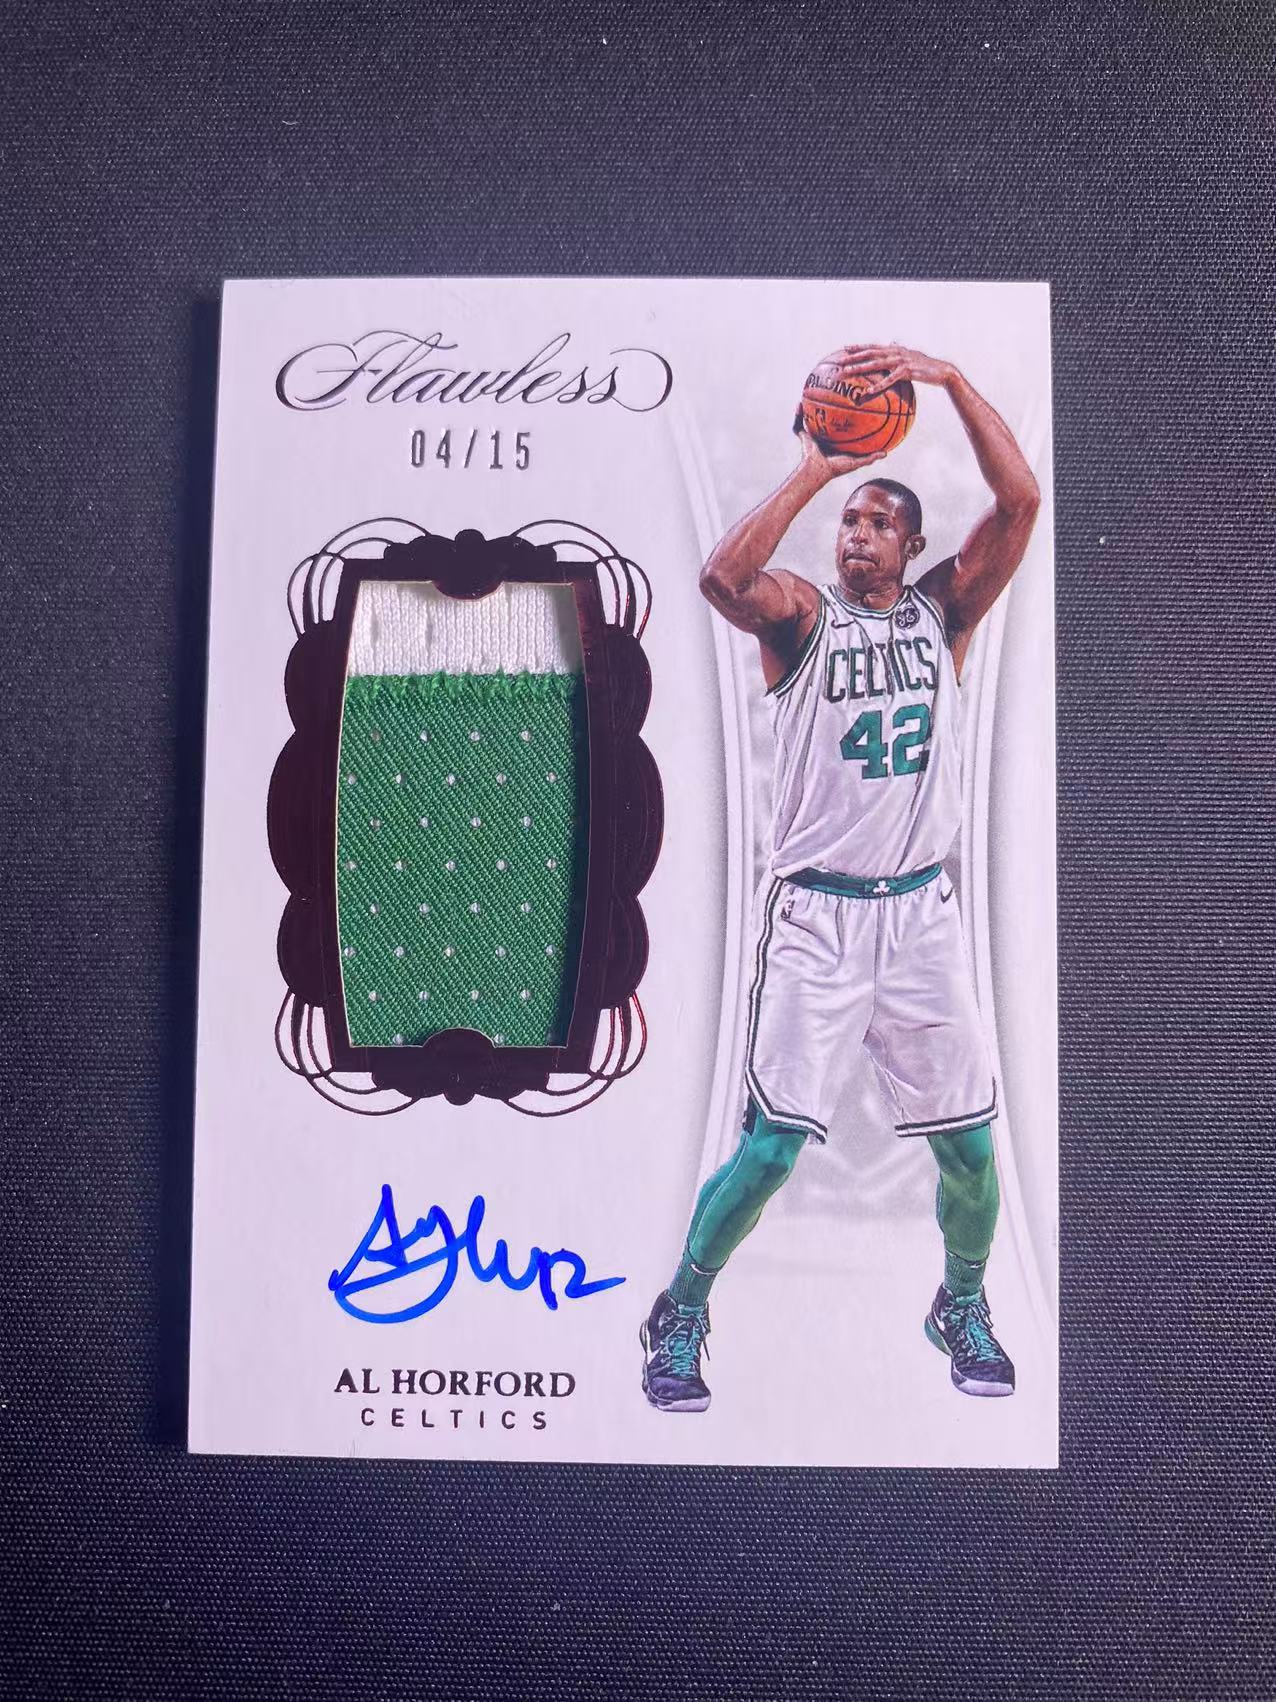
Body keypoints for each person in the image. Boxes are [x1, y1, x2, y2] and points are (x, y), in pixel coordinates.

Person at [640, 344, 1041, 1413]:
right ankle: (681, 1308)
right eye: (848, 520)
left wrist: (949, 382)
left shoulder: (945, 613)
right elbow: (721, 579)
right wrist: (816, 467)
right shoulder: (801, 617)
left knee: (970, 1149)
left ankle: (962, 1303)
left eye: (876, 520)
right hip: (817, 917)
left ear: (913, 546)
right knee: (771, 1149)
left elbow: (1021, 499)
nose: (855, 532)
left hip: (920, 918)